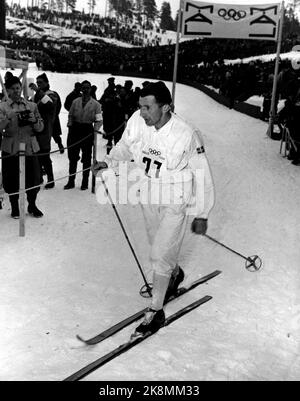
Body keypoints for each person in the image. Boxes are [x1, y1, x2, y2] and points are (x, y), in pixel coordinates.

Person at [93, 81, 215, 336]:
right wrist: (109, 162)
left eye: (148, 107)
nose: (142, 112)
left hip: (175, 195)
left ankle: (156, 310)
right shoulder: (138, 121)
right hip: (148, 191)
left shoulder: (186, 134)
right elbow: (126, 146)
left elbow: (202, 174)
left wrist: (202, 213)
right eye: (140, 106)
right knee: (156, 243)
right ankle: (174, 273)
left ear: (166, 107)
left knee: (160, 254)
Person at [0, 76, 44, 218]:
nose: (15, 91)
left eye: (18, 88)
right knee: (11, 179)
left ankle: (32, 205)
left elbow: (40, 128)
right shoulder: (2, 107)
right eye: (12, 88)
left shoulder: (32, 106)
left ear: (21, 88)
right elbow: (0, 128)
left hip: (29, 148)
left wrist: (34, 120)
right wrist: (8, 118)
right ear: (7, 90)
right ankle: (14, 207)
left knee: (33, 179)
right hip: (11, 148)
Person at [64, 80, 103, 190]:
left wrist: (94, 130)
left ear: (90, 89)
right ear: (81, 89)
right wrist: (70, 124)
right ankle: (71, 181)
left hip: (87, 131)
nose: (85, 90)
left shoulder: (96, 104)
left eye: (87, 88)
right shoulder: (75, 101)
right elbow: (71, 115)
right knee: (72, 157)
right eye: (84, 88)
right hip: (75, 130)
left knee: (86, 158)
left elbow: (99, 120)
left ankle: (85, 182)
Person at [30, 73, 58, 189]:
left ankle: (51, 179)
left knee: (45, 156)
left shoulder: (52, 95)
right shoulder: (38, 96)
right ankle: (39, 178)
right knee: (37, 155)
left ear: (47, 83)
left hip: (46, 130)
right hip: (36, 129)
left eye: (40, 82)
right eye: (37, 83)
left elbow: (50, 104)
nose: (39, 85)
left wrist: (38, 91)